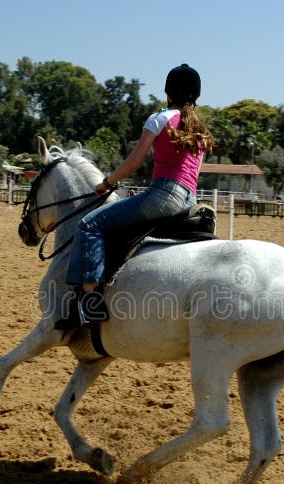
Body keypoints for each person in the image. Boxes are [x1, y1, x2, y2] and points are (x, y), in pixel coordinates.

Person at [56, 64, 215, 329]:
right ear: (196, 96)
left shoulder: (159, 118)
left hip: (164, 195)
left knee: (90, 225)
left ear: (168, 92)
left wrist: (107, 182)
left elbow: (133, 163)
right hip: (190, 201)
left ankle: (90, 307)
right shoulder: (198, 131)